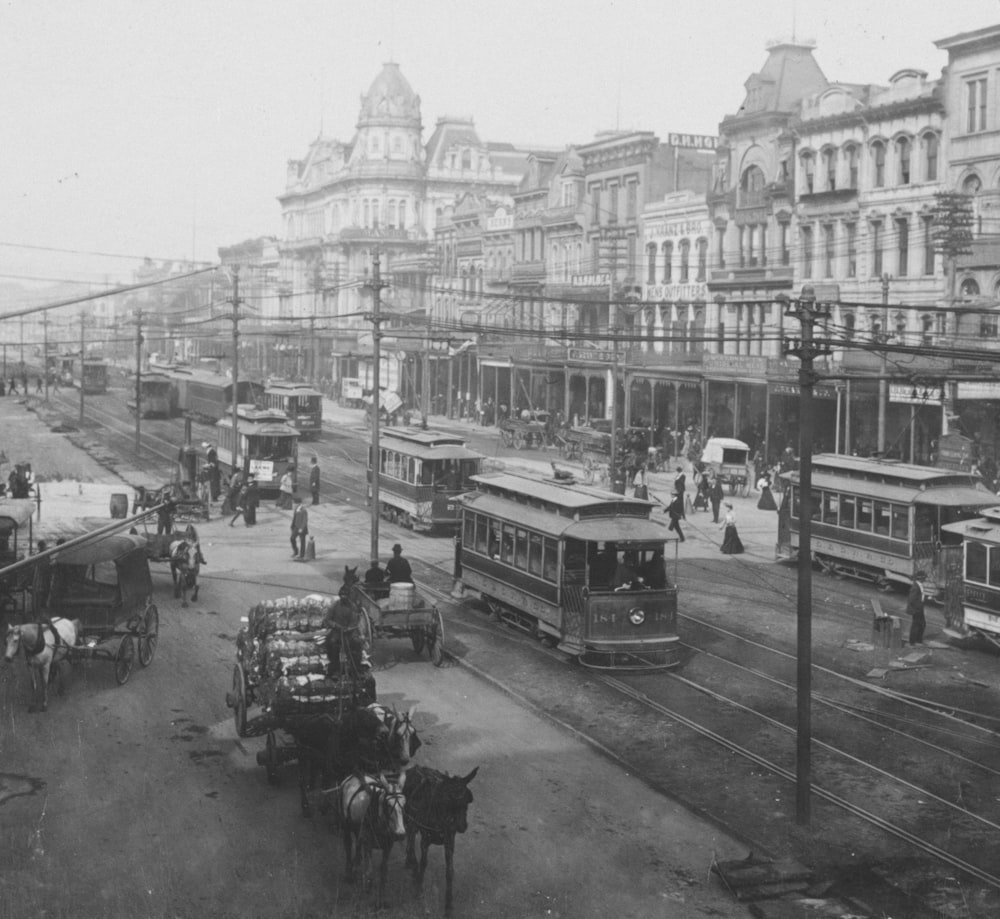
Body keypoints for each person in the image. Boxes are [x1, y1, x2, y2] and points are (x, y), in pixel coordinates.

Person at [907, 571, 927, 645]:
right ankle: (912, 641)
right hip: (916, 609)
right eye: (924, 578)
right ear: (921, 578)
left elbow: (920, 596)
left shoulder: (920, 585)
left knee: (922, 624)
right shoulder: (915, 586)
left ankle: (918, 640)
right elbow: (911, 599)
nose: (925, 579)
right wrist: (917, 608)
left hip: (920, 608)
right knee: (915, 625)